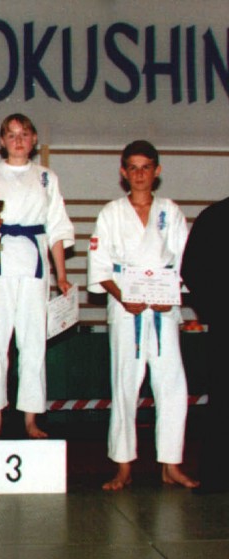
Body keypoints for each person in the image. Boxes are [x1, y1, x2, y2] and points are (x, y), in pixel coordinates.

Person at [87, 140, 199, 491]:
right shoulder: (111, 213)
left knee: (173, 386)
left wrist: (172, 295)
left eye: (145, 167)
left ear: (157, 171)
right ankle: (123, 466)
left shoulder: (171, 211)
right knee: (124, 385)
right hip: (126, 308)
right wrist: (123, 297)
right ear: (123, 172)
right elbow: (100, 266)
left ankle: (171, 464)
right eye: (132, 168)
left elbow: (184, 261)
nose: (139, 174)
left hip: (164, 309)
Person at [0, 113, 74, 439]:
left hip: (34, 266)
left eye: (24, 134)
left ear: (34, 138)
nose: (18, 140)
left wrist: (62, 276)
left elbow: (57, 229)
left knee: (33, 344)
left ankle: (31, 419)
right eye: (11, 135)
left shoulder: (46, 178)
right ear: (2, 141)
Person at [181, 196, 229, 493]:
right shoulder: (215, 217)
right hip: (226, 324)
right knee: (223, 400)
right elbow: (192, 268)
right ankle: (219, 474)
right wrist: (216, 309)